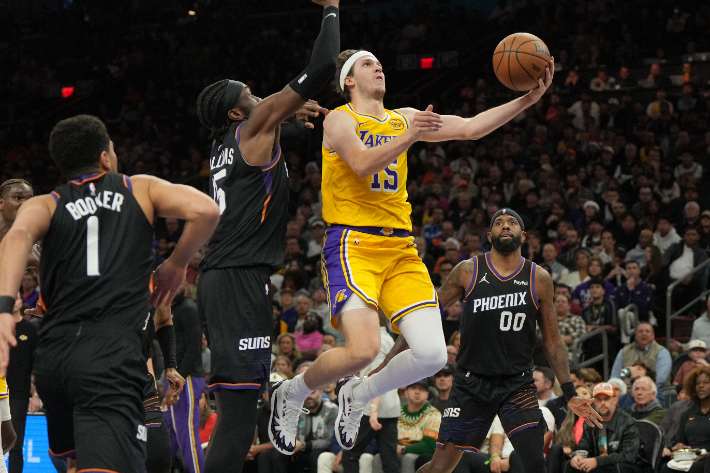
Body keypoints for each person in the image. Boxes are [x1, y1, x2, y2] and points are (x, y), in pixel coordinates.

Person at [269, 51, 557, 455]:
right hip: (353, 243)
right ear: (348, 80)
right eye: (368, 64)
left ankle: (360, 393)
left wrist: (527, 99)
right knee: (363, 350)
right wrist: (411, 135)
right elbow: (363, 163)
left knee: (432, 355)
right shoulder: (340, 119)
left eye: (379, 62)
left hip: (400, 247)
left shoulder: (403, 117)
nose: (378, 67)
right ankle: (292, 392)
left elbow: (471, 128)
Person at [0, 114, 218, 472]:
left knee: (72, 460)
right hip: (109, 355)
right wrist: (176, 264)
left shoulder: (46, 204)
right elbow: (207, 209)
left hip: (54, 358)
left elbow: (16, 238)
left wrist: (4, 309)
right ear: (105, 157)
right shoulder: (138, 188)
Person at [194, 1, 340, 470]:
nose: (260, 97)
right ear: (238, 112)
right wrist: (332, 8)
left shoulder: (224, 143)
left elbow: (279, 141)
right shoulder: (253, 127)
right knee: (238, 421)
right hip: (236, 280)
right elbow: (322, 66)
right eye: (252, 94)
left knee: (239, 413)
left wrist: (288, 119)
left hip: (228, 277)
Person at [382, 209, 601, 473]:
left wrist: (570, 393)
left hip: (516, 383)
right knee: (439, 468)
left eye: (512, 223)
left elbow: (553, 341)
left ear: (524, 236)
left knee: (535, 465)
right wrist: (388, 359)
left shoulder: (538, 278)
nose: (505, 226)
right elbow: (423, 316)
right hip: (471, 384)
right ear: (489, 235)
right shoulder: (468, 270)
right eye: (499, 223)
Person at [342, 313, 399, 473]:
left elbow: (376, 376)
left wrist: (373, 410)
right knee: (389, 460)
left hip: (371, 406)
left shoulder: (374, 340)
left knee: (350, 453)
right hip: (391, 406)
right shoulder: (388, 338)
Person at [259, 364, 338, 473]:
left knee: (316, 455)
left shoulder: (332, 410)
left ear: (320, 392)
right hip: (298, 448)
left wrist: (304, 445)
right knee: (276, 454)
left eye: (312, 392)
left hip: (319, 449)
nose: (309, 396)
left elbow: (328, 440)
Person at [164, 283, 206, 473]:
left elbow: (194, 348)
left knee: (187, 435)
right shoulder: (168, 308)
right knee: (167, 433)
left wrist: (177, 381)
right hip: (176, 377)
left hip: (185, 378)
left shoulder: (188, 309)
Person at [567, 383, 644, 473]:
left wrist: (597, 461)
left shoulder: (628, 422)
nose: (602, 403)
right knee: (571, 465)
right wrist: (577, 456)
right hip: (600, 466)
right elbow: (583, 446)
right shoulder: (590, 422)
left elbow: (628, 456)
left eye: (607, 399)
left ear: (615, 400)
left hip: (627, 467)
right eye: (599, 400)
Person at [371, 379, 441, 473]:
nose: (417, 392)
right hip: (395, 450)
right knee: (378, 457)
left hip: (418, 455)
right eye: (413, 388)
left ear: (427, 395)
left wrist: (404, 449)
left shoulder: (434, 414)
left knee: (408, 458)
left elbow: (431, 445)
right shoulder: (396, 412)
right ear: (406, 393)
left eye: (421, 389)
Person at [6, 291, 38, 473]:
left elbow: (38, 364)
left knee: (15, 445)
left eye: (16, 297)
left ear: (21, 302)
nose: (13, 302)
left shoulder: (31, 330)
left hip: (19, 395)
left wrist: (36, 394)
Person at [662, 367, 710, 473]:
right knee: (666, 468)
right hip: (690, 456)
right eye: (697, 383)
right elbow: (680, 440)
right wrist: (679, 446)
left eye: (706, 382)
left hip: (707, 458)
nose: (701, 386)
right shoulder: (688, 413)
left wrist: (705, 454)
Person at [611, 322, 672, 389]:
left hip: (654, 391)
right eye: (640, 331)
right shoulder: (624, 351)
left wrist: (640, 389)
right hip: (625, 390)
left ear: (653, 335)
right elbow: (615, 376)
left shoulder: (662, 352)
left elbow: (660, 379)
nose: (644, 334)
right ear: (636, 335)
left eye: (647, 331)